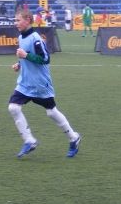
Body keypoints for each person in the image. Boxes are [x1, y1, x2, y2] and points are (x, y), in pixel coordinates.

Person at [8, 9, 81, 158]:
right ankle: (29, 140)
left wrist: (26, 56)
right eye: (15, 20)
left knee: (51, 112)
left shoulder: (36, 38)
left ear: (28, 20)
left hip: (40, 84)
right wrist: (19, 64)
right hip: (25, 83)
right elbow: (26, 57)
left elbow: (46, 59)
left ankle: (73, 137)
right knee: (13, 108)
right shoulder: (21, 37)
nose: (16, 23)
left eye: (18, 20)